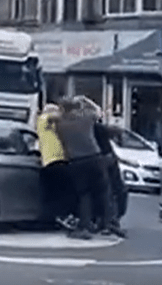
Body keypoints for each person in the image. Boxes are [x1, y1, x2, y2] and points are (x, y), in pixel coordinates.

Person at [52, 96, 106, 240]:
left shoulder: (61, 123)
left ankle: (84, 226)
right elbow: (99, 112)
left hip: (76, 161)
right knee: (102, 191)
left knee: (84, 194)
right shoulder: (86, 118)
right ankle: (105, 223)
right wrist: (86, 99)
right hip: (95, 157)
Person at [36, 104, 72, 222]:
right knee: (63, 190)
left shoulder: (53, 127)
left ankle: (60, 215)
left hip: (60, 160)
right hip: (52, 161)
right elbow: (53, 116)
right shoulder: (42, 120)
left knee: (61, 190)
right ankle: (61, 214)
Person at [93, 121, 128, 238]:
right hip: (106, 160)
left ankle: (103, 221)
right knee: (113, 191)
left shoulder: (88, 127)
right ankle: (111, 222)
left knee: (105, 192)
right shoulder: (96, 127)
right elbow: (115, 130)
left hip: (100, 159)